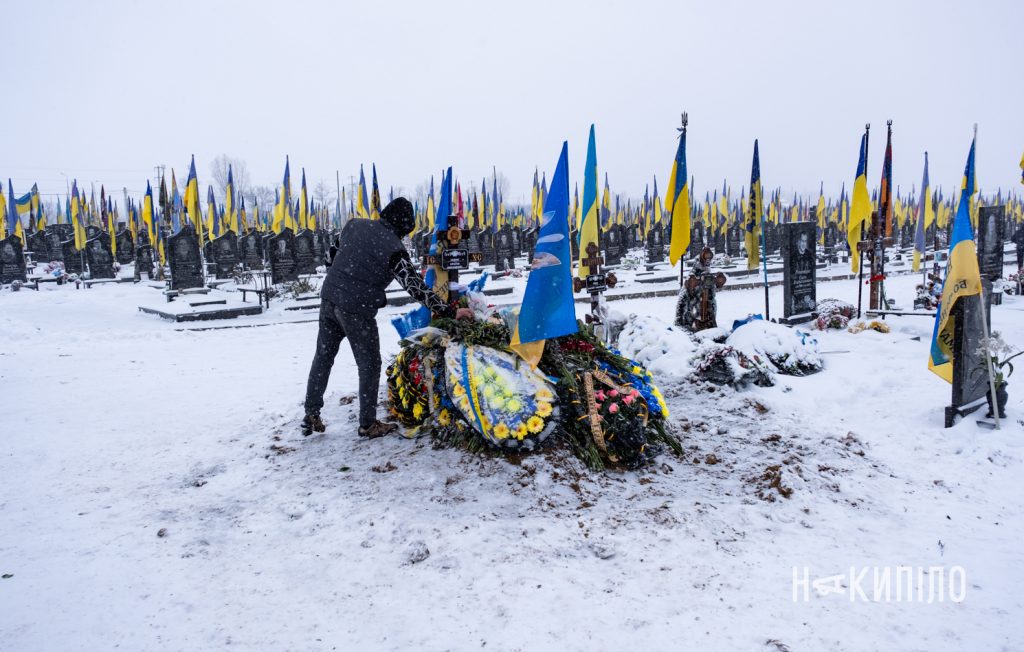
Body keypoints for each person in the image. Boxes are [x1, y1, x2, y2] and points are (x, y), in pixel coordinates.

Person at [302, 197, 472, 438]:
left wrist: (341, 280)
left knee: (323, 356)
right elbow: (415, 288)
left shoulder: (354, 224)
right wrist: (451, 311)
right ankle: (368, 424)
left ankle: (311, 411)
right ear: (404, 226)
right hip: (357, 308)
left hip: (329, 298)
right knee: (369, 364)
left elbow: (331, 254)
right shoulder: (394, 249)